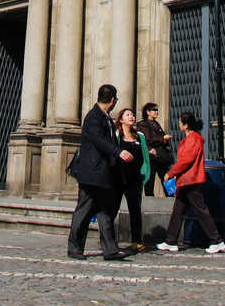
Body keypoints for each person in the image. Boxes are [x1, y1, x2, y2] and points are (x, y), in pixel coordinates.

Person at [67, 84, 133, 261]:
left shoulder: (104, 117)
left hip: (103, 173)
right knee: (84, 210)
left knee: (105, 212)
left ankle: (110, 248)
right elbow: (98, 140)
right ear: (112, 100)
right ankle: (74, 247)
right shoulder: (94, 117)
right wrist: (118, 152)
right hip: (92, 173)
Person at [156, 112, 225, 255]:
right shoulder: (192, 139)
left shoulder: (192, 139)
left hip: (191, 181)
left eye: (181, 122)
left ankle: (217, 240)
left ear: (186, 125)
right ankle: (170, 241)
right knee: (178, 211)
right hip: (186, 180)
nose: (179, 125)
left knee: (200, 211)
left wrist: (171, 173)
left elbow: (185, 161)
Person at [113, 108, 150, 252]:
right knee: (112, 210)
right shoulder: (117, 136)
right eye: (128, 115)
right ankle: (106, 239)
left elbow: (144, 158)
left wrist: (144, 176)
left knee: (135, 211)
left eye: (133, 115)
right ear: (120, 120)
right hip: (118, 178)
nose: (131, 117)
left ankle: (136, 242)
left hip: (134, 180)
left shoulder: (139, 137)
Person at [136, 103, 172, 196]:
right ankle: (149, 198)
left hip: (161, 156)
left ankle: (171, 196)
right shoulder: (143, 124)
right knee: (150, 180)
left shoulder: (156, 124)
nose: (156, 112)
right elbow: (148, 139)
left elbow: (162, 137)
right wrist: (162, 139)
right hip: (151, 155)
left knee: (165, 177)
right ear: (148, 112)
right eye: (154, 110)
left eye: (157, 110)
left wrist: (164, 140)